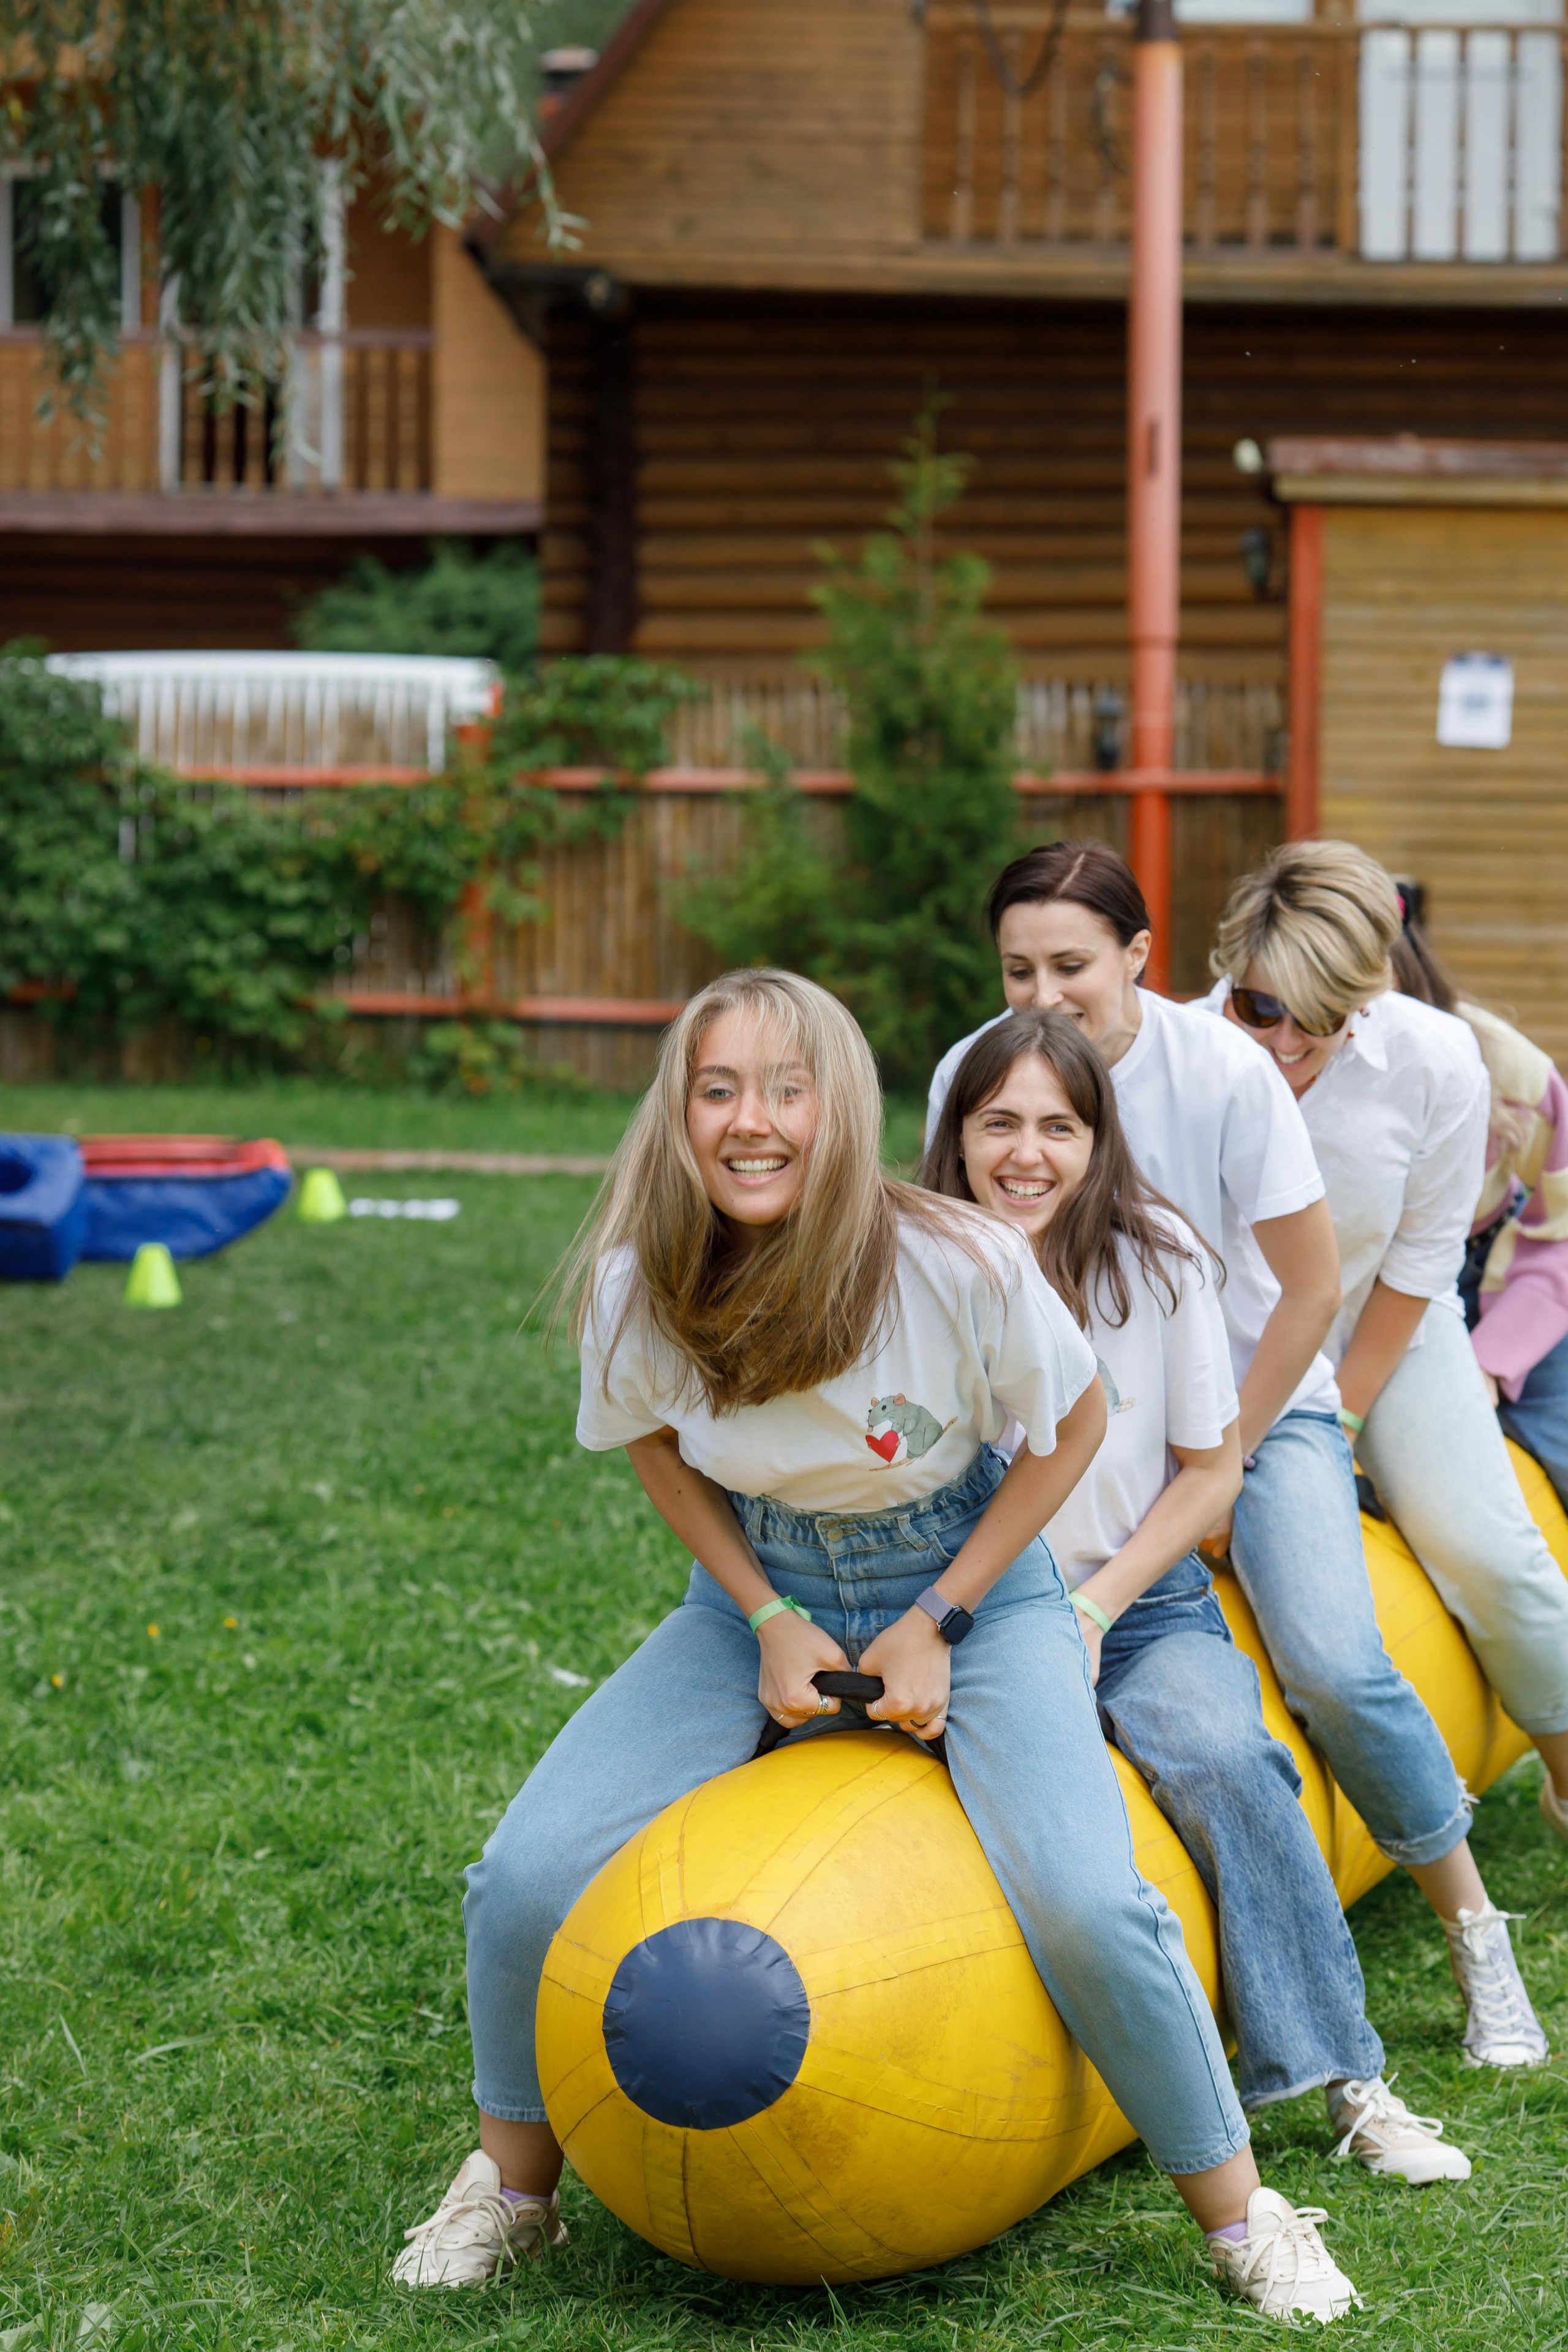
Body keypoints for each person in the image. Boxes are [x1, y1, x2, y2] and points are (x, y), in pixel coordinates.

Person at [396, 967, 1356, 2326]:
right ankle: (509, 2190)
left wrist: (937, 1622)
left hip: (974, 1576)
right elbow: (657, 1452)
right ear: (677, 1111)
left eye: (785, 1090)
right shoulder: (640, 1278)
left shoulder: (955, 1261)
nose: (751, 1122)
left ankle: (1242, 2211)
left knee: (1090, 1904)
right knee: (519, 1877)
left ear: (838, 1110)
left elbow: (1069, 1435)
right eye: (717, 1089)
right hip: (759, 1584)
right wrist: (767, 1617)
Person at [926, 842, 1544, 2071]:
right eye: (1017, 970)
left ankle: (1474, 1932)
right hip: (1066, 1427)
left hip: (1259, 1403)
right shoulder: (973, 1068)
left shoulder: (1219, 1067)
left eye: (1070, 966)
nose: (1042, 996)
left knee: (1326, 1654)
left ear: (1137, 959)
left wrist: (1219, 1470)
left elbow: (1312, 1291)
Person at [1210, 843, 1568, 1877]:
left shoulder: (1440, 1058)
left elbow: (1420, 1264)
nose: (1286, 1043)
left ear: (1370, 992)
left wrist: (1340, 1429)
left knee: (1494, 1555)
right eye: (1262, 1008)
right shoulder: (1182, 1049)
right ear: (1226, 967)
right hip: (1226, 1347)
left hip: (1385, 1330)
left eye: (1322, 1018)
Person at [1391, 902, 1568, 1566]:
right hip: (1373, 1287)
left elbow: (1559, 1227)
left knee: (1556, 1444)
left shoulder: (1507, 1067)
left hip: (1500, 1272)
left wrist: (1494, 1358)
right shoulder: (1274, 1049)